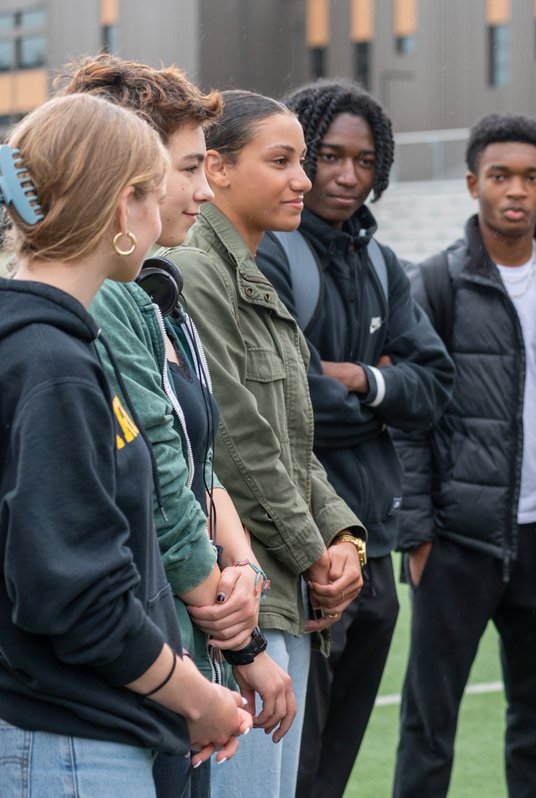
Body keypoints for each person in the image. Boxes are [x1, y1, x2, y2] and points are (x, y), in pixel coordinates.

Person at [0, 92, 252, 797]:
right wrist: (197, 697)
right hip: (65, 741)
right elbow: (76, 598)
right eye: (155, 190)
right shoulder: (50, 363)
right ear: (121, 209)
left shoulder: (58, 348)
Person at [61, 55, 298, 798]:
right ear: (124, 171)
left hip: (180, 631)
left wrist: (243, 570)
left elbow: (201, 460)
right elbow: (160, 477)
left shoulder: (149, 287)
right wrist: (242, 634)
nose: (203, 189)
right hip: (138, 652)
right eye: (189, 167)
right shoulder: (96, 299)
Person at [393, 112, 536, 797]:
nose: (514, 190)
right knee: (429, 726)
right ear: (473, 185)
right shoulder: (435, 283)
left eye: (529, 177)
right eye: (499, 176)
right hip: (459, 544)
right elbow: (410, 419)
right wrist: (418, 533)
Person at [160, 89, 366, 798]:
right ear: (214, 169)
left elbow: (292, 436)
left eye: (300, 161)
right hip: (237, 598)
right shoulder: (192, 271)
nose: (303, 181)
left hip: (278, 588)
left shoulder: (248, 270)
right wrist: (316, 552)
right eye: (281, 161)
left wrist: (342, 535)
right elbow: (238, 443)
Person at [255, 79, 454, 798]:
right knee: (291, 761)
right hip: (297, 549)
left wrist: (361, 382)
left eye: (364, 160)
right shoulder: (272, 255)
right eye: (328, 156)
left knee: (334, 766)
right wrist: (381, 389)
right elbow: (289, 403)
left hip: (371, 547)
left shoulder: (379, 261)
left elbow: (435, 386)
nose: (346, 175)